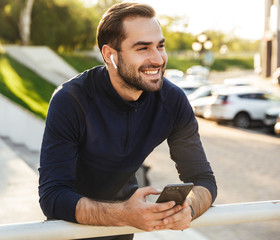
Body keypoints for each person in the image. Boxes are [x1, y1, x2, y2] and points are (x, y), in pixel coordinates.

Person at [38, 2, 217, 240]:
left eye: (160, 46)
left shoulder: (172, 100)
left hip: (125, 230)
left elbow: (203, 180)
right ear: (110, 55)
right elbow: (53, 196)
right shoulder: (70, 100)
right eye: (143, 48)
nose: (158, 59)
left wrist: (189, 209)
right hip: (70, 229)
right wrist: (124, 214)